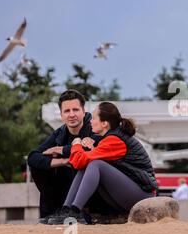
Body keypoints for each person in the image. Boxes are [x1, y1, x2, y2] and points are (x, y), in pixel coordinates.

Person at [47, 102, 158, 224]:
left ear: (104, 123)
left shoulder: (115, 140)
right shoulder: (111, 137)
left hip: (144, 196)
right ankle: (67, 210)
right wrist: (90, 147)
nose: (90, 121)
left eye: (94, 118)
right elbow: (83, 162)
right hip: (133, 193)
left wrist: (77, 144)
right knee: (89, 163)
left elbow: (78, 162)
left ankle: (75, 211)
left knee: (95, 164)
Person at [27, 90, 100, 224]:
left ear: (83, 112)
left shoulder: (95, 126)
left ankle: (84, 212)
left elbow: (94, 150)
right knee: (39, 167)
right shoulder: (60, 133)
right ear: (61, 115)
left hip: (95, 192)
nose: (71, 115)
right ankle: (54, 212)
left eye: (75, 110)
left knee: (87, 163)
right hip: (66, 187)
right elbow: (33, 157)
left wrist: (63, 150)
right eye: (67, 111)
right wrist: (63, 160)